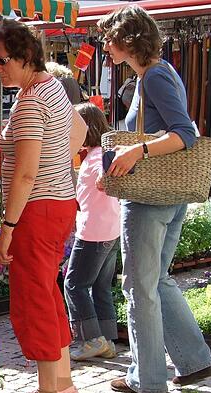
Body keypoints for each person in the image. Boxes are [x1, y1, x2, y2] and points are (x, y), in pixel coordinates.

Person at [98, 5, 211, 393]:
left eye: (109, 36)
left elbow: (186, 133)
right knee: (157, 280)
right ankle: (195, 361)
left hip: (151, 199)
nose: (104, 44)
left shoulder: (154, 77)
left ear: (128, 38)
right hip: (167, 193)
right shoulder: (157, 74)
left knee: (138, 286)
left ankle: (147, 377)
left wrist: (137, 152)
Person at [0, 18, 87, 393]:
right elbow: (78, 131)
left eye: (2, 60)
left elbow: (26, 173)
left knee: (35, 297)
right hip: (58, 203)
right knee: (47, 291)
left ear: (26, 57)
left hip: (35, 210)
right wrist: (55, 163)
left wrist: (6, 230)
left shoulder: (30, 101)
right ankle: (62, 385)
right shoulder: (52, 89)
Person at [63, 102, 120, 361]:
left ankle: (92, 340)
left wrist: (102, 179)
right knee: (101, 286)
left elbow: (103, 175)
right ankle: (107, 339)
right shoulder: (99, 152)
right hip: (109, 229)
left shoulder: (96, 156)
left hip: (94, 232)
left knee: (73, 284)